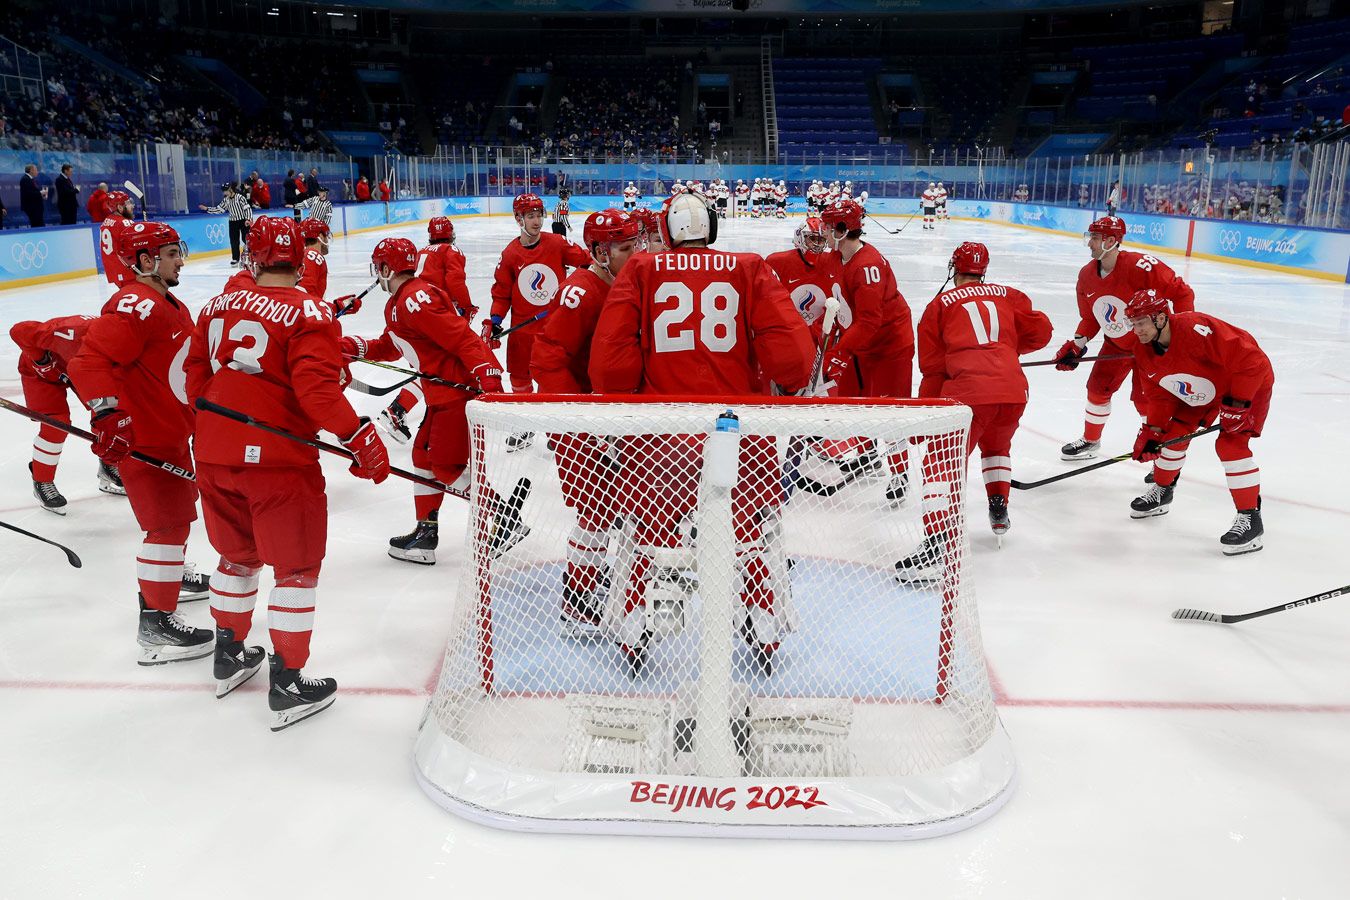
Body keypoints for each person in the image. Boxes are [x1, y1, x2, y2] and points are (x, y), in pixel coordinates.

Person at [589, 191, 815, 675]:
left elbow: (609, 366)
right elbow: (794, 362)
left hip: (660, 433)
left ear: (667, 231)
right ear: (711, 227)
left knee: (646, 534)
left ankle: (633, 623)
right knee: (749, 533)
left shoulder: (642, 269)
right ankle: (762, 619)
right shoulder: (749, 266)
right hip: (737, 433)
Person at [186, 216, 390, 727]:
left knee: (236, 555)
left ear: (251, 259)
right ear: (301, 260)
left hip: (212, 452)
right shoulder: (311, 311)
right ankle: (288, 683)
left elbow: (193, 375)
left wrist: (217, 428)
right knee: (295, 568)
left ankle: (228, 654)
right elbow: (317, 391)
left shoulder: (213, 307)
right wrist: (359, 435)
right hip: (277, 461)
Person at [67, 222, 210, 666]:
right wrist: (109, 413)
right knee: (166, 525)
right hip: (145, 438)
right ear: (146, 261)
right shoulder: (136, 305)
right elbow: (89, 361)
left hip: (169, 430)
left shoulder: (165, 300)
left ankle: (167, 581)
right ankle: (156, 625)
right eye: (171, 254)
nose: (180, 259)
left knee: (179, 517)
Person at [340, 238, 515, 565]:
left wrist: (488, 375)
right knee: (422, 456)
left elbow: (462, 337)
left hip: (455, 394)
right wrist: (351, 346)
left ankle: (505, 517)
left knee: (446, 467)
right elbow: (391, 347)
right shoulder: (398, 303)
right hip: (439, 396)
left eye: (379, 267)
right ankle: (425, 533)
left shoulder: (414, 299)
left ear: (386, 268)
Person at [896, 243, 1053, 581]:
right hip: (1013, 390)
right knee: (997, 447)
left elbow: (934, 369)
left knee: (941, 462)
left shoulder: (938, 305)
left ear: (954, 268)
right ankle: (999, 507)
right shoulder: (1008, 294)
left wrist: (926, 415)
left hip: (969, 394)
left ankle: (936, 546)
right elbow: (1042, 331)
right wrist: (1004, 350)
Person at [530, 208, 643, 635]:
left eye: (638, 245)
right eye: (626, 248)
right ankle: (577, 602)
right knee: (595, 513)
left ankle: (589, 585)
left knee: (611, 508)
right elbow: (546, 359)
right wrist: (583, 418)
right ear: (598, 251)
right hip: (577, 417)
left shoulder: (625, 283)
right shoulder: (582, 289)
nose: (637, 255)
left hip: (602, 416)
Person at [1124, 289, 1273, 555]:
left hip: (1246, 383)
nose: (1136, 330)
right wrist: (1153, 431)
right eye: (1133, 323)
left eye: (1141, 322)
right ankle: (1162, 491)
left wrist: (1238, 405)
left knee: (1230, 445)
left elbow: (1252, 361)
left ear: (1160, 318)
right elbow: (1159, 394)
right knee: (1171, 436)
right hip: (1204, 385)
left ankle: (1251, 519)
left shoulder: (1197, 328)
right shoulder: (1143, 348)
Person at [1053, 215, 1196, 461]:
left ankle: (1159, 452)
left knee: (1147, 402)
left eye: (1095, 238)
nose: (1090, 244)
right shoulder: (1086, 276)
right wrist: (1077, 344)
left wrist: (1179, 335)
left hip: (1151, 348)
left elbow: (1183, 293)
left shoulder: (1143, 267)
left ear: (1112, 240)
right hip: (1115, 344)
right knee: (1097, 390)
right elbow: (1091, 317)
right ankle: (1091, 440)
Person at [820, 198, 915, 503]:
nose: (823, 229)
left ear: (843, 229)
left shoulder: (868, 266)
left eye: (828, 224)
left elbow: (871, 322)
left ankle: (900, 471)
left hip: (889, 346)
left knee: (891, 411)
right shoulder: (838, 258)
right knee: (855, 401)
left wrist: (840, 352)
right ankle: (868, 454)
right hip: (862, 343)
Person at [484, 193, 591, 451]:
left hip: (554, 328)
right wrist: (496, 320)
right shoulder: (510, 254)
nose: (536, 221)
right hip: (522, 331)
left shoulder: (556, 243)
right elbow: (502, 293)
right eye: (530, 216)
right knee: (520, 380)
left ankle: (558, 431)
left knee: (553, 380)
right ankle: (525, 425)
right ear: (518, 218)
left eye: (538, 215)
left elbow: (588, 262)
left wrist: (575, 287)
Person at [10, 314, 126, 513]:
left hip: (81, 370)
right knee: (55, 424)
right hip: (40, 375)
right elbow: (19, 331)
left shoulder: (124, 348)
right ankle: (42, 481)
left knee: (109, 414)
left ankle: (108, 465)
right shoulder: (70, 330)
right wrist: (42, 361)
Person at [376, 216, 474, 444]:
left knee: (428, 367)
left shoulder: (421, 252)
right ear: (451, 234)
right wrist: (466, 307)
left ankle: (412, 411)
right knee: (439, 368)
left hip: (408, 307)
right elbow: (456, 281)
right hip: (433, 314)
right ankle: (398, 409)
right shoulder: (452, 251)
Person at [764, 217, 841, 354]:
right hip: (788, 335)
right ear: (800, 237)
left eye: (821, 239)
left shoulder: (832, 261)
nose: (817, 244)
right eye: (812, 238)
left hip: (820, 334)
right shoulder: (778, 262)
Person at [198, 183, 252, 266]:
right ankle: (235, 258)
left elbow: (247, 208)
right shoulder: (226, 200)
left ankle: (250, 256)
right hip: (233, 222)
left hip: (243, 221)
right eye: (223, 191)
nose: (224, 193)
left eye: (225, 191)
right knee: (234, 241)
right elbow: (219, 209)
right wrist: (207, 208)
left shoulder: (240, 197)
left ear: (230, 189)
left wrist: (248, 219)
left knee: (246, 239)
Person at [98, 190, 137, 297]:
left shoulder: (106, 221)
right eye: (128, 203)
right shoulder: (124, 222)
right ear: (120, 207)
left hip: (114, 271)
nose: (132, 206)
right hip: (128, 271)